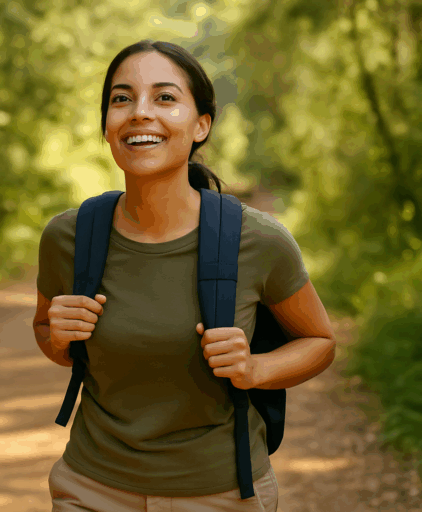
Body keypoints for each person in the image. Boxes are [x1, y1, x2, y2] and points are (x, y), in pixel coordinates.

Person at [32, 40, 337, 512]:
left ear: (201, 126)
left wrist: (256, 369)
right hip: (89, 488)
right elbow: (49, 334)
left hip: (221, 494)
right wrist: (58, 338)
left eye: (165, 97)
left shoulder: (258, 241)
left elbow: (319, 342)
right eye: (121, 98)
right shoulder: (67, 237)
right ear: (106, 127)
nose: (139, 113)